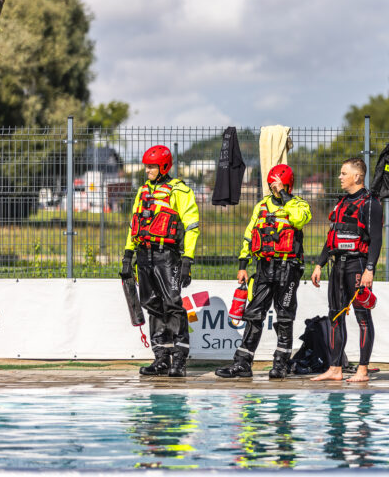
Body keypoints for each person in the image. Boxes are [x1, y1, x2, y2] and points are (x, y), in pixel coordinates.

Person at [215, 164, 312, 379]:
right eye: (271, 185)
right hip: (264, 267)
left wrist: (285, 196)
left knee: (284, 316)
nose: (273, 188)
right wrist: (242, 265)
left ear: (287, 185)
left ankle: (281, 365)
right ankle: (242, 364)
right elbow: (250, 235)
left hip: (288, 268)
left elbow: (298, 219)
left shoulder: (299, 204)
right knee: (254, 314)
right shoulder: (261, 206)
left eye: (277, 184)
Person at [120, 145, 200, 377]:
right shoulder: (143, 191)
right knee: (151, 303)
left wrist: (187, 259)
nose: (147, 170)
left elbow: (192, 225)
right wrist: (128, 255)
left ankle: (179, 360)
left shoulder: (180, 191)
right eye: (146, 166)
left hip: (167, 256)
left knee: (173, 304)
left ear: (164, 166)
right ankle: (161, 358)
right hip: (144, 255)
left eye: (152, 166)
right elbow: (133, 225)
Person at [310, 157, 383, 383]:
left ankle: (362, 369)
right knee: (335, 316)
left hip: (358, 265)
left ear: (357, 177)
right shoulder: (340, 203)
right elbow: (331, 236)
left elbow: (376, 240)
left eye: (344, 173)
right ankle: (335, 368)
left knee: (362, 316)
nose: (340, 177)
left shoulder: (371, 203)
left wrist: (370, 269)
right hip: (337, 266)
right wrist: (319, 264)